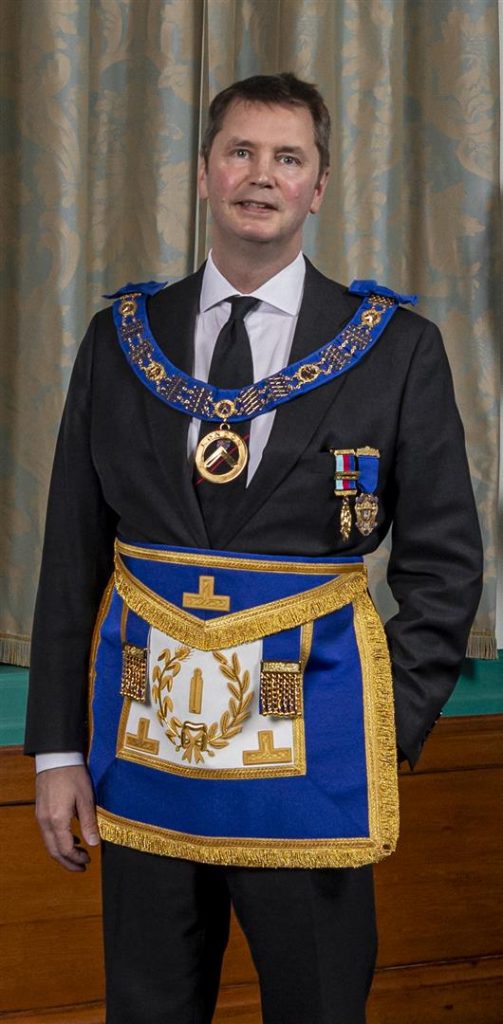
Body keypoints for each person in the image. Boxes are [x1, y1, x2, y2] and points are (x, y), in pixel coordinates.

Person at [25, 73, 483, 1024]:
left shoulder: (395, 348)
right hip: (144, 758)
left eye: (287, 158)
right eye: (240, 152)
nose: (261, 175)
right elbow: (70, 557)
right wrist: (57, 752)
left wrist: (373, 727)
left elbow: (445, 568)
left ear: (318, 186)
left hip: (309, 761)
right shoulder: (120, 340)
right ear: (204, 173)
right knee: (147, 1010)